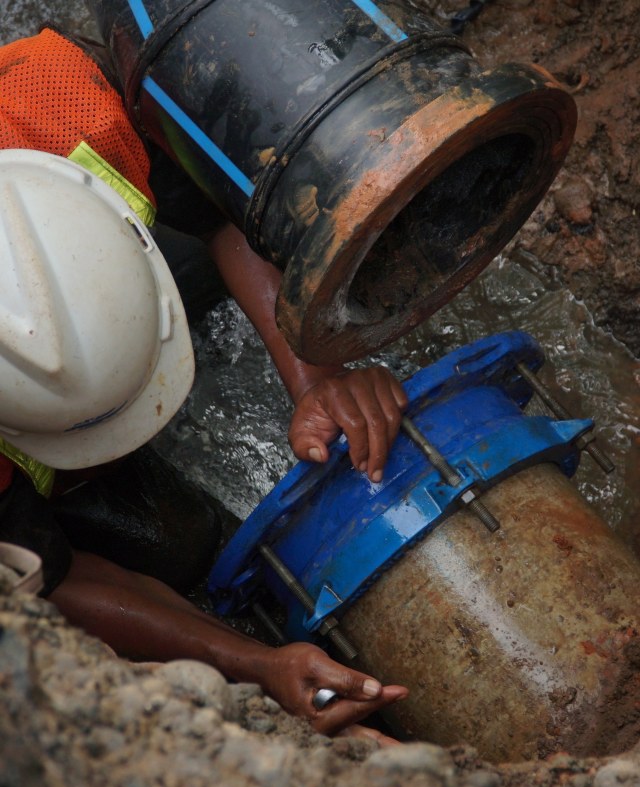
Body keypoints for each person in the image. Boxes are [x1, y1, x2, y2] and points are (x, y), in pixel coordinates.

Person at [0, 27, 409, 741]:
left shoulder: (57, 103)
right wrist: (257, 664)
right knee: (176, 547)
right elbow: (51, 585)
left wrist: (318, 375)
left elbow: (226, 204)